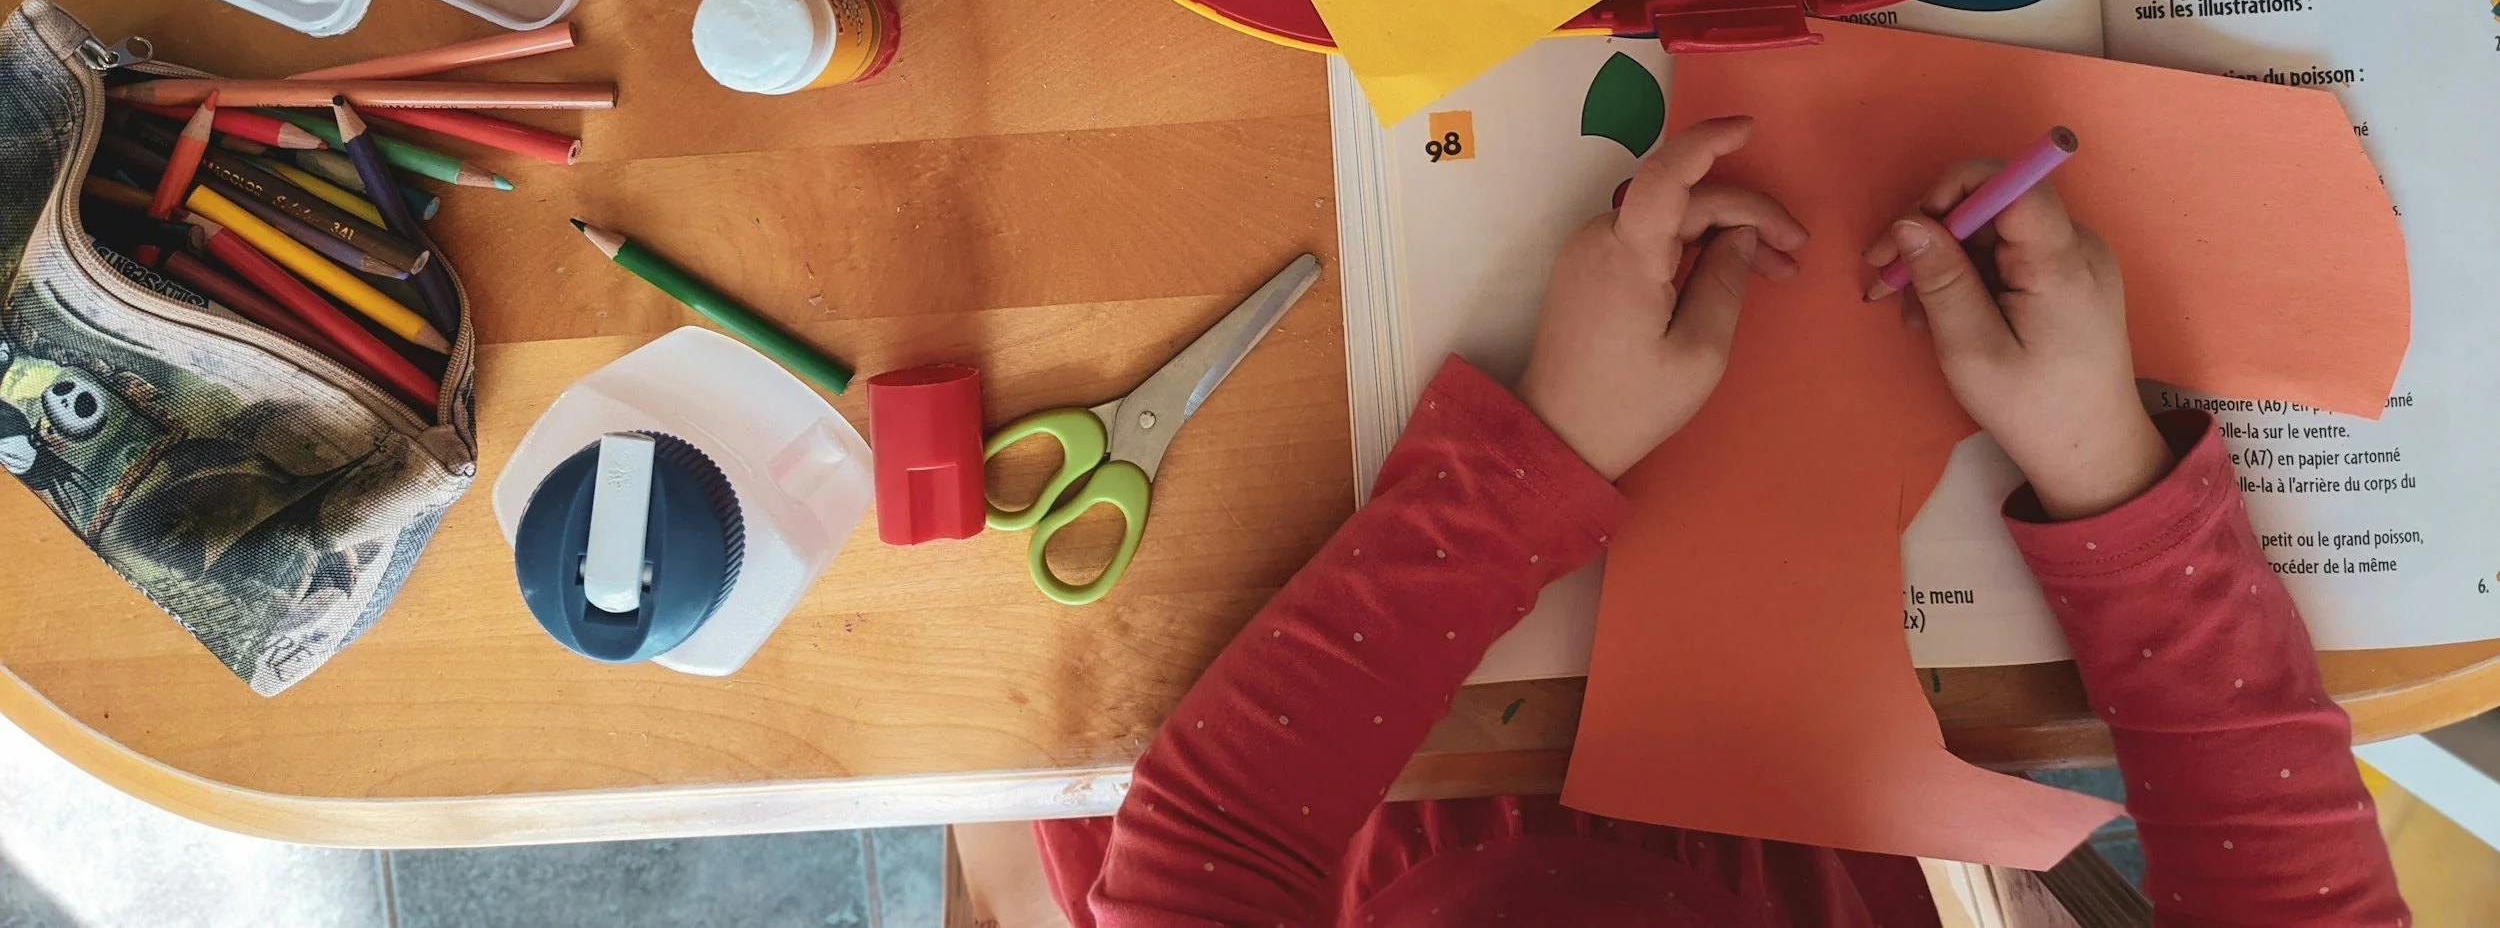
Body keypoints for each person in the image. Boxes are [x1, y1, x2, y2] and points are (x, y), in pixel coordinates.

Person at [1025, 117, 2408, 926]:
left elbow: (1210, 842)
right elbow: (2294, 889)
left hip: (1377, 823)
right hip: (1802, 836)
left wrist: (1534, 460)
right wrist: (2106, 472)